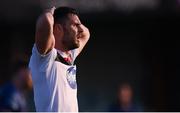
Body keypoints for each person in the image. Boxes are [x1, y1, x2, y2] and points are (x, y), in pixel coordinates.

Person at [29, 6, 90, 112]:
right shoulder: (46, 57)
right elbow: (45, 20)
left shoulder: (69, 56)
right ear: (58, 29)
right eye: (75, 25)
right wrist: (50, 12)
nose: (80, 30)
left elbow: (86, 33)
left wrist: (72, 18)